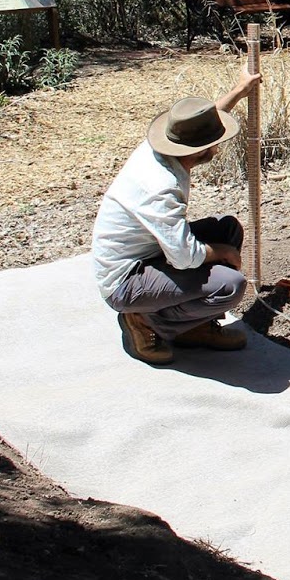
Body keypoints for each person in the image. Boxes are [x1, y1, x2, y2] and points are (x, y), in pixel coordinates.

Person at [91, 65, 261, 365]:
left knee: (227, 229)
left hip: (149, 254)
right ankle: (146, 321)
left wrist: (238, 90)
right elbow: (185, 258)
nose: (218, 147)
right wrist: (221, 252)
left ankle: (191, 324)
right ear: (203, 150)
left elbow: (200, 125)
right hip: (126, 280)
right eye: (215, 143)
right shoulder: (161, 187)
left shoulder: (161, 148)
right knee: (229, 284)